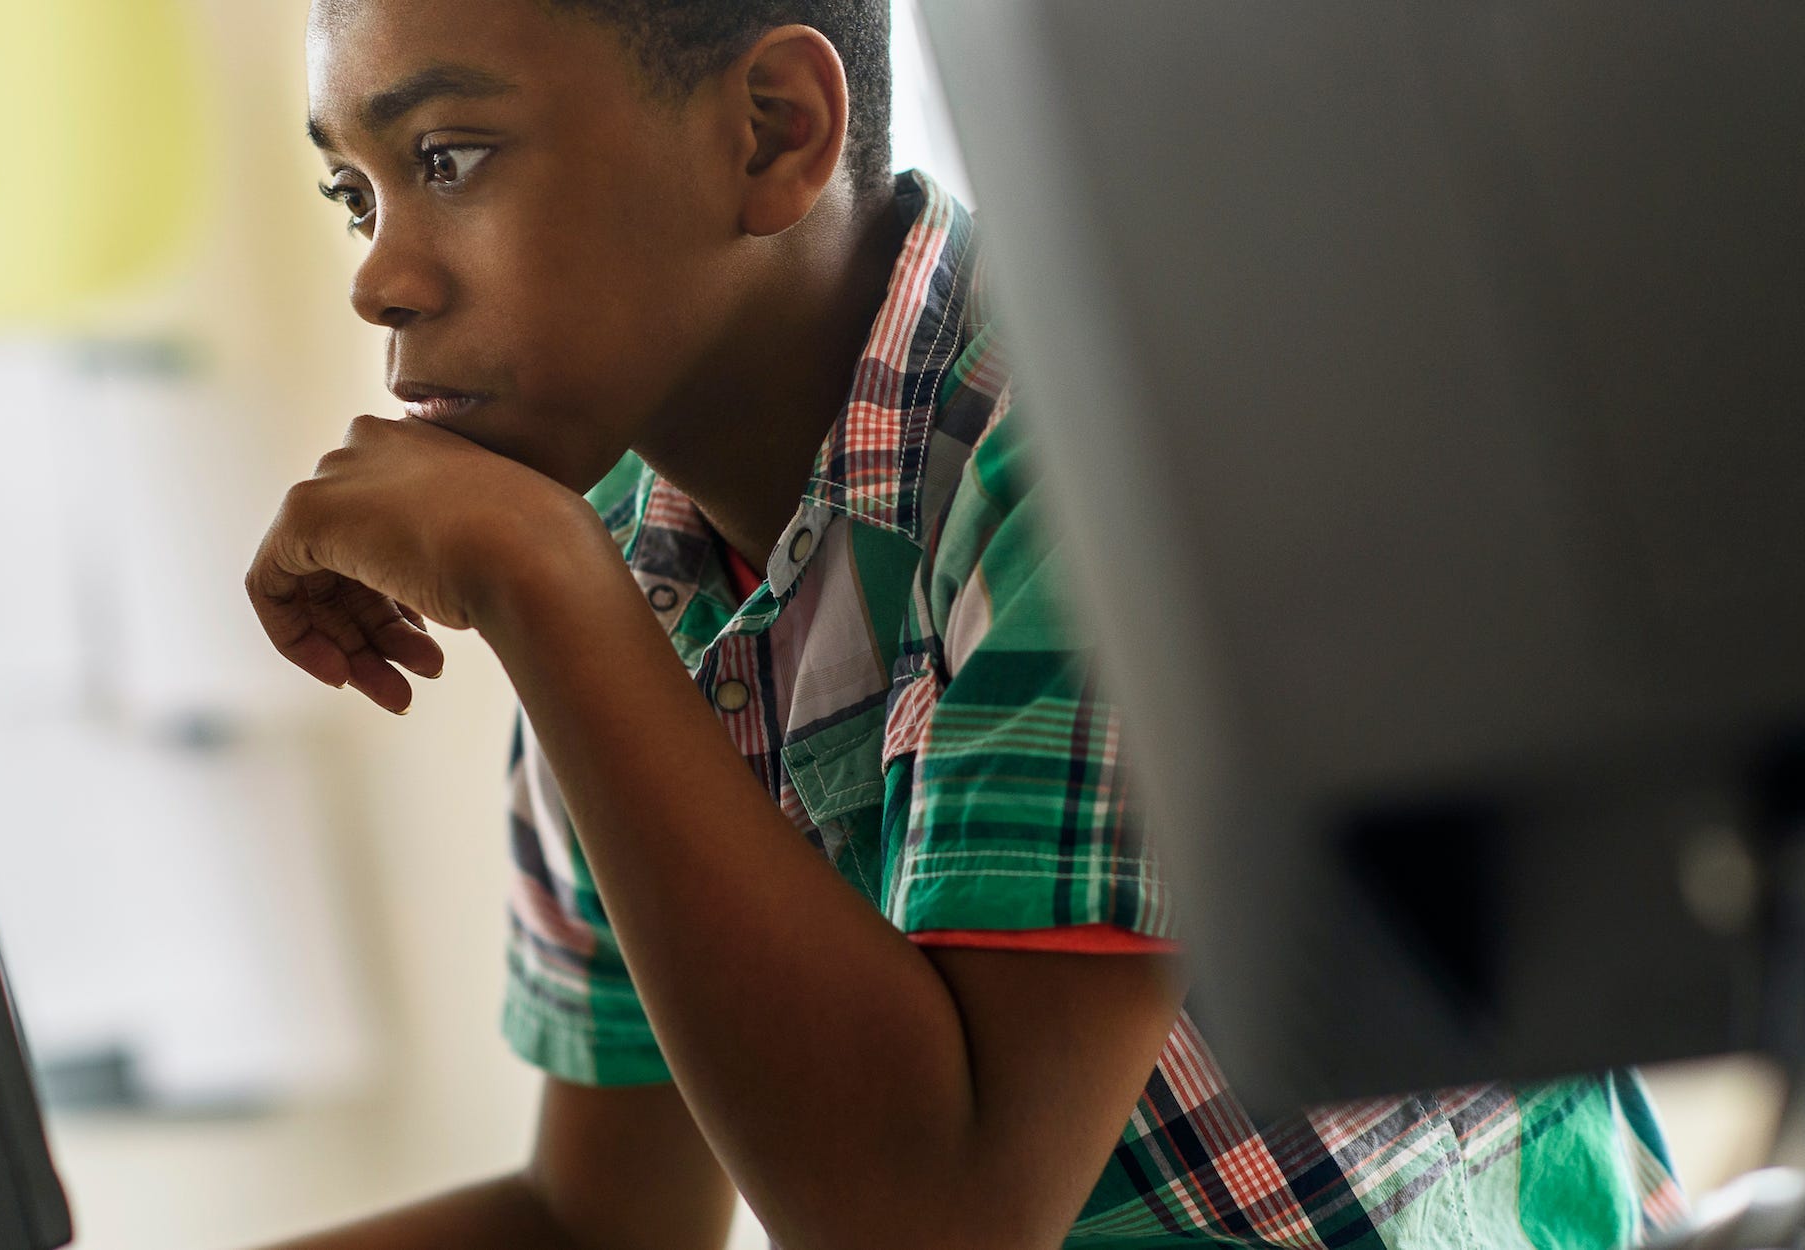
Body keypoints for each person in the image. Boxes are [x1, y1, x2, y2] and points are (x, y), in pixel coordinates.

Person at [246, 1, 1687, 1246]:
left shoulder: (1093, 453)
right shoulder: (618, 558)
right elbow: (606, 1221)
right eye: (354, 195)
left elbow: (940, 1223)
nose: (381, 276)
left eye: (449, 159)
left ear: (770, 133)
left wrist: (545, 592)